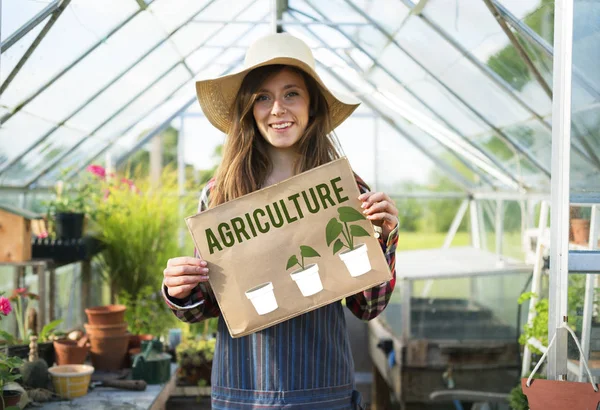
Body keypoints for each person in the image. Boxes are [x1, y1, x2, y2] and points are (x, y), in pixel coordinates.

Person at [162, 33, 399, 410]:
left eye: (291, 94)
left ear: (312, 107)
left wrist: (384, 240)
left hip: (323, 389)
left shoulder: (348, 190)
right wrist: (180, 289)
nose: (277, 109)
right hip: (243, 390)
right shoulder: (220, 194)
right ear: (248, 109)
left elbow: (367, 307)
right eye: (263, 97)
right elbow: (208, 304)